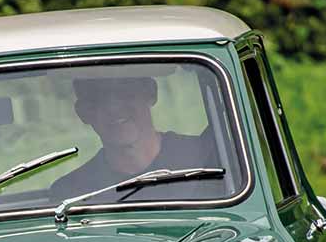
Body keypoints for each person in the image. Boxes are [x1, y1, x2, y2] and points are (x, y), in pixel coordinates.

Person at [50, 75, 219, 199]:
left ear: (151, 93)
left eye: (125, 92)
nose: (113, 107)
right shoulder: (72, 194)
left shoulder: (209, 159)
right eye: (98, 99)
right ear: (83, 112)